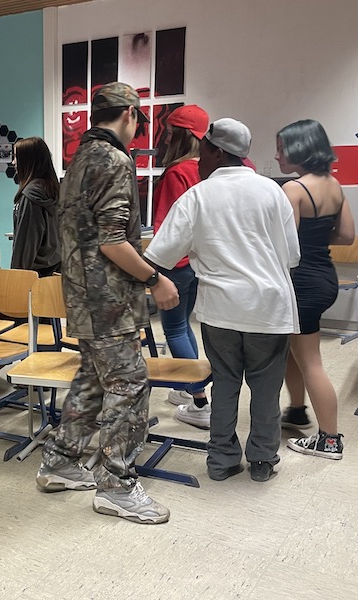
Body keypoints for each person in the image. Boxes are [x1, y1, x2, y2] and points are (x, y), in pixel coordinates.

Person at [36, 82, 179, 524]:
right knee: (130, 385)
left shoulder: (78, 160)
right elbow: (112, 241)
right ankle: (116, 486)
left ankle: (60, 462)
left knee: (92, 381)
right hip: (109, 302)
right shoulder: (115, 160)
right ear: (130, 115)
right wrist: (155, 279)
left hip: (82, 297)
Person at [145, 118, 300, 483]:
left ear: (216, 152)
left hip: (220, 311)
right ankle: (262, 461)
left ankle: (222, 461)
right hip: (269, 309)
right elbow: (292, 255)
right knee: (266, 389)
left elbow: (159, 255)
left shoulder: (197, 196)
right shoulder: (272, 191)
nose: (198, 159)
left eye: (202, 151)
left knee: (226, 384)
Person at [276, 119, 355, 459]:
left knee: (311, 361)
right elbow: (346, 236)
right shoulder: (334, 185)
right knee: (295, 348)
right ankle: (296, 409)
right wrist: (316, 237)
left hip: (302, 283)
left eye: (282, 149)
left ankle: (329, 439)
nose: (277, 156)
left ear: (300, 149)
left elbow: (285, 246)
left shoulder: (293, 190)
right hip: (325, 277)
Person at [151, 104, 211, 428]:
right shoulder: (206, 169)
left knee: (173, 329)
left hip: (175, 264)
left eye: (169, 132)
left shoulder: (177, 173)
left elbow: (166, 227)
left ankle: (199, 401)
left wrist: (154, 270)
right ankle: (187, 387)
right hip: (197, 262)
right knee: (184, 325)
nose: (165, 138)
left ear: (181, 136)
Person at [10, 137, 61, 276]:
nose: (13, 162)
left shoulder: (31, 196)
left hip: (33, 277)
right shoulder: (54, 191)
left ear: (28, 160)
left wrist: (15, 279)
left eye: (16, 157)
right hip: (54, 274)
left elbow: (25, 245)